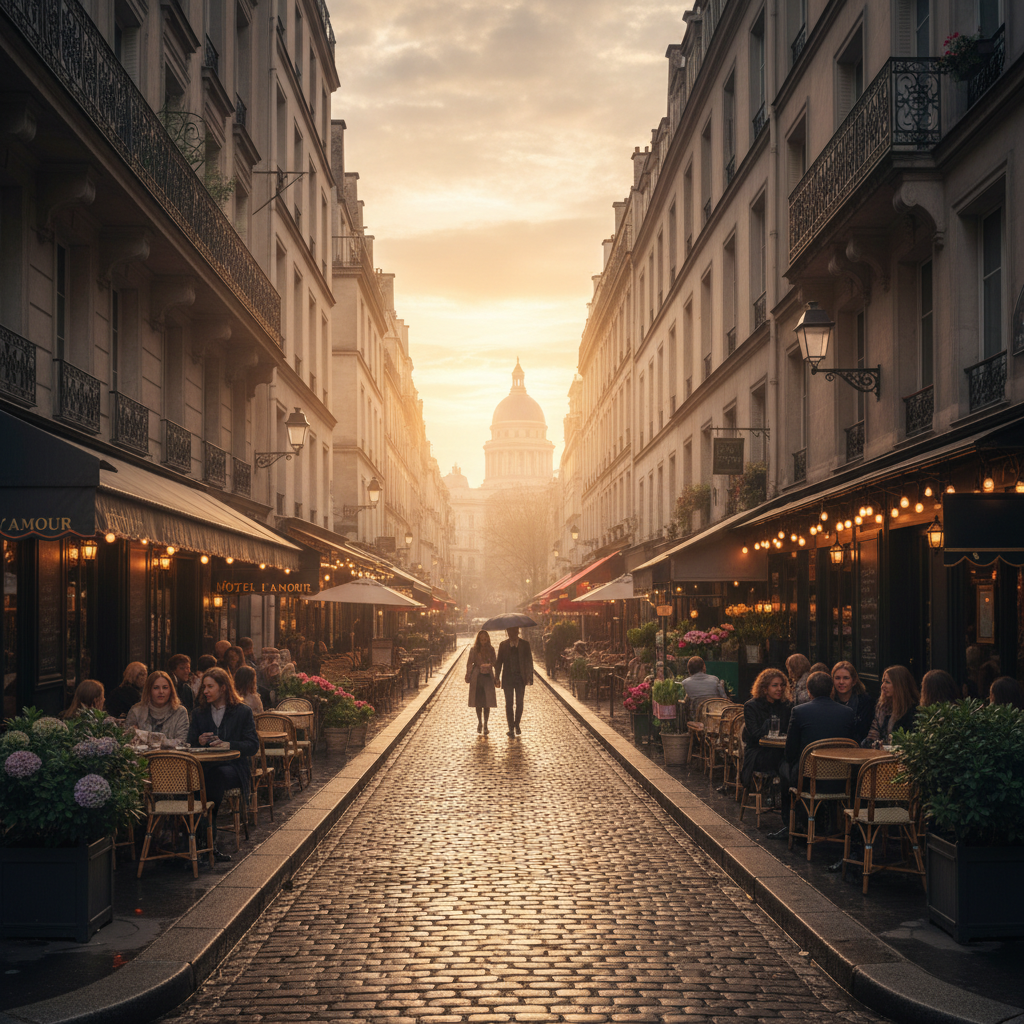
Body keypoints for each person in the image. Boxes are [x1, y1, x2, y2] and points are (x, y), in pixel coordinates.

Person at [769, 671, 857, 840]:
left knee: (784, 768)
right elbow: (852, 744)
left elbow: (790, 750)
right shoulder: (847, 712)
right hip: (841, 779)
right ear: (831, 690)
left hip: (809, 779)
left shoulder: (800, 711)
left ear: (808, 691)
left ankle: (791, 825)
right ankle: (827, 823)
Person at [186, 667, 259, 862]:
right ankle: (201, 842)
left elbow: (252, 745)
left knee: (212, 779)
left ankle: (205, 843)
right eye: (204, 687)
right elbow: (189, 743)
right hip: (206, 768)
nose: (205, 691)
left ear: (224, 688)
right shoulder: (199, 713)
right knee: (201, 780)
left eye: (210, 686)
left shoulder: (242, 711)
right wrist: (198, 741)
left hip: (235, 767)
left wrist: (230, 744)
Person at [740, 668, 793, 791]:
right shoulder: (751, 706)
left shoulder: (786, 706)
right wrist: (770, 725)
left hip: (781, 750)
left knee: (791, 759)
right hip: (759, 752)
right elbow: (755, 734)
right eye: (775, 685)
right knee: (785, 761)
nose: (779, 689)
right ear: (764, 688)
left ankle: (782, 792)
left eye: (781, 685)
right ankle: (783, 793)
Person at [125, 671, 190, 744]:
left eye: (165, 688)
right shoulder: (136, 711)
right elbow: (126, 740)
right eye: (156, 688)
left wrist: (146, 737)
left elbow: (181, 742)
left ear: (171, 690)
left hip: (171, 755)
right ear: (149, 690)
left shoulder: (180, 712)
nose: (161, 691)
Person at [862, 665, 919, 748]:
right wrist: (872, 743)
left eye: (887, 682)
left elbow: (909, 744)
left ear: (899, 685)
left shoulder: (912, 711)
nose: (883, 686)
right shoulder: (882, 707)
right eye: (883, 682)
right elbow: (873, 734)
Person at [495, 626, 534, 738]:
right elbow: (499, 662)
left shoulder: (525, 644)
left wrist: (529, 676)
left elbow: (529, 661)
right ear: (507, 632)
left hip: (520, 678)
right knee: (509, 704)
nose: (511, 634)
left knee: (520, 703)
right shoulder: (503, 645)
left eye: (513, 631)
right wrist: (496, 677)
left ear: (518, 631)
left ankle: (517, 724)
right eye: (509, 631)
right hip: (507, 678)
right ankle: (511, 728)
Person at [830, 661, 875, 744]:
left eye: (846, 678)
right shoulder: (829, 700)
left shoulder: (864, 701)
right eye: (837, 678)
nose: (841, 682)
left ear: (853, 681)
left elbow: (864, 730)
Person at [465, 630, 498, 734]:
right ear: (479, 639)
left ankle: (486, 724)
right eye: (482, 638)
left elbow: (495, 662)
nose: (484, 640)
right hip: (477, 677)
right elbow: (470, 662)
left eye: (485, 638)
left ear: (487, 639)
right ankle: (480, 722)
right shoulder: (474, 650)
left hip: (488, 676)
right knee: (478, 702)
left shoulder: (491, 649)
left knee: (487, 702)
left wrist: (490, 665)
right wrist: (468, 674)